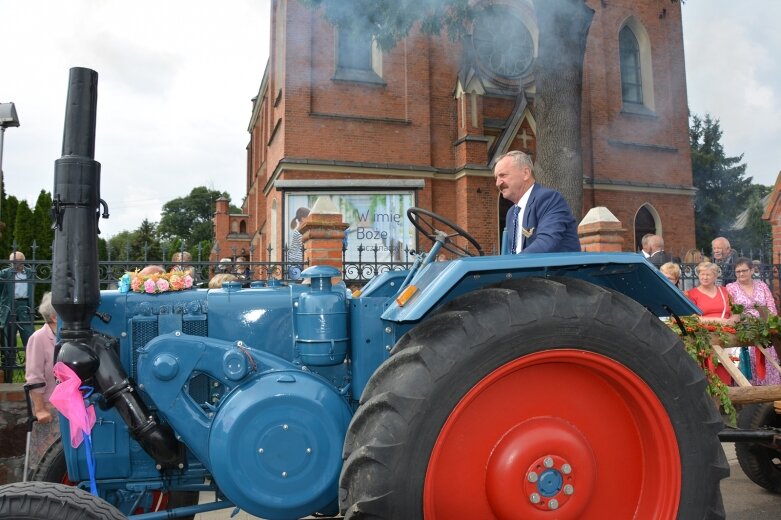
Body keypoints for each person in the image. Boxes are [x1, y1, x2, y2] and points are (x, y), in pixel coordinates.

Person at [494, 150, 581, 253]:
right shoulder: (511, 213)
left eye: (503, 175)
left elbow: (546, 243)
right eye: (496, 178)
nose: (498, 183)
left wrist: (515, 264)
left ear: (526, 173)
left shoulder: (548, 199)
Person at [726, 257, 780, 386]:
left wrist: (769, 324)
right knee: (749, 362)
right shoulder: (731, 287)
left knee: (769, 361)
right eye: (738, 271)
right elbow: (732, 310)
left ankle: (771, 397)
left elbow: (771, 306)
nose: (741, 274)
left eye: (744, 270)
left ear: (752, 270)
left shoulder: (762, 285)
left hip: (765, 329)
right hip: (744, 330)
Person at [24, 291, 59, 474]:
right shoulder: (38, 338)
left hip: (68, 406)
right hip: (49, 407)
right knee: (45, 461)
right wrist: (40, 410)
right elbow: (34, 377)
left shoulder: (66, 336)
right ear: (53, 316)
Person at [0, 251, 35, 351]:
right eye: (12, 261)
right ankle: (9, 363)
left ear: (23, 261)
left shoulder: (30, 272)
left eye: (17, 261)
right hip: (8, 307)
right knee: (8, 337)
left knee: (29, 335)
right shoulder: (5, 273)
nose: (14, 264)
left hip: (24, 306)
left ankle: (31, 362)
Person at [288, 207, 311, 278]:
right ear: (303, 219)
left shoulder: (301, 232)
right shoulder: (298, 233)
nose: (310, 219)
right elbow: (308, 244)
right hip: (295, 265)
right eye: (309, 217)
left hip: (299, 264)